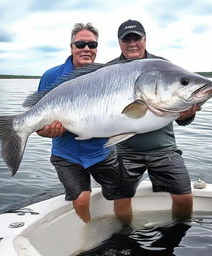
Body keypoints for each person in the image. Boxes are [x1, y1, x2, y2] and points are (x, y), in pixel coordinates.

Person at [109, 19, 201, 224]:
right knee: (121, 199)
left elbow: (182, 117)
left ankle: (177, 232)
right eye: (126, 39)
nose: (132, 43)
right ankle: (126, 235)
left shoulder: (163, 67)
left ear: (145, 39)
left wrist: (188, 115)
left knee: (184, 196)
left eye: (137, 38)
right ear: (119, 42)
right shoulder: (107, 71)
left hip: (164, 149)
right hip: (125, 149)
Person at [36, 22, 127, 224]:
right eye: (81, 44)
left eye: (92, 45)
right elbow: (38, 126)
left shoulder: (106, 76)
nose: (86, 49)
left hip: (101, 150)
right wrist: (47, 131)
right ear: (71, 47)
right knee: (82, 198)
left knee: (122, 195)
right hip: (66, 153)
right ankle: (88, 232)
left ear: (96, 49)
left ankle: (125, 230)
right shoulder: (51, 77)